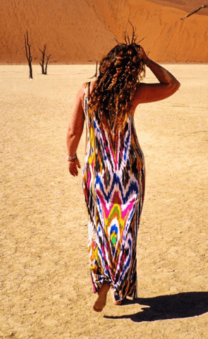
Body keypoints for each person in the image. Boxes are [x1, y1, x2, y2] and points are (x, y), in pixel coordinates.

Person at [66, 42, 180, 312]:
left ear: (106, 63)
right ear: (133, 69)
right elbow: (172, 84)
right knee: (126, 230)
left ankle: (104, 280)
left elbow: (73, 131)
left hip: (97, 172)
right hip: (129, 171)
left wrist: (71, 157)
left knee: (100, 229)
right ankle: (120, 289)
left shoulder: (86, 91)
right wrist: (149, 60)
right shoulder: (133, 92)